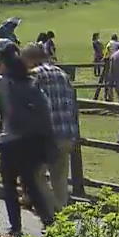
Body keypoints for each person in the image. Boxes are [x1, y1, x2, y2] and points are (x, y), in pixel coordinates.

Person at [0, 42, 56, 237]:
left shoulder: (1, 80)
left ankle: (16, 228)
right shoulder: (30, 80)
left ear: (2, 63)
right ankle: (48, 221)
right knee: (30, 183)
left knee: (9, 185)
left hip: (10, 139)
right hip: (33, 139)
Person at [23, 43, 79, 214]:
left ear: (29, 60)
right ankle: (62, 214)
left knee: (35, 176)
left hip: (46, 137)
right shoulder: (62, 74)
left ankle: (52, 210)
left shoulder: (33, 76)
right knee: (60, 178)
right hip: (67, 134)